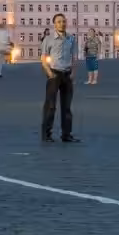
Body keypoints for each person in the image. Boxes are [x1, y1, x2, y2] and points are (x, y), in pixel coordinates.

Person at [40, 13, 78, 142]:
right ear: (54, 24)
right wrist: (49, 73)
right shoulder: (48, 39)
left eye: (63, 21)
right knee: (51, 106)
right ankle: (46, 134)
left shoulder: (71, 39)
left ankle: (66, 134)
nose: (62, 24)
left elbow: (74, 57)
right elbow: (44, 59)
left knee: (66, 107)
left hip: (67, 74)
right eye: (59, 22)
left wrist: (73, 73)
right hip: (54, 74)